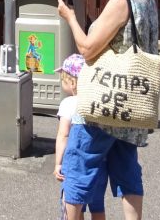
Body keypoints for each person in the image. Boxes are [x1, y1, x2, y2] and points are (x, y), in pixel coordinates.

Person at [56, 0, 158, 220]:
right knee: (127, 173)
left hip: (105, 104)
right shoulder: (147, 0)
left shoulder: (121, 1)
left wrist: (70, 17)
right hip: (130, 106)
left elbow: (87, 48)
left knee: (78, 169)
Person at [54, 54, 106, 220]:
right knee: (98, 206)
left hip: (76, 164)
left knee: (74, 202)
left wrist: (58, 163)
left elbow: (63, 135)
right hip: (99, 164)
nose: (62, 84)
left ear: (73, 83)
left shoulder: (68, 104)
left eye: (64, 80)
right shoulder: (97, 103)